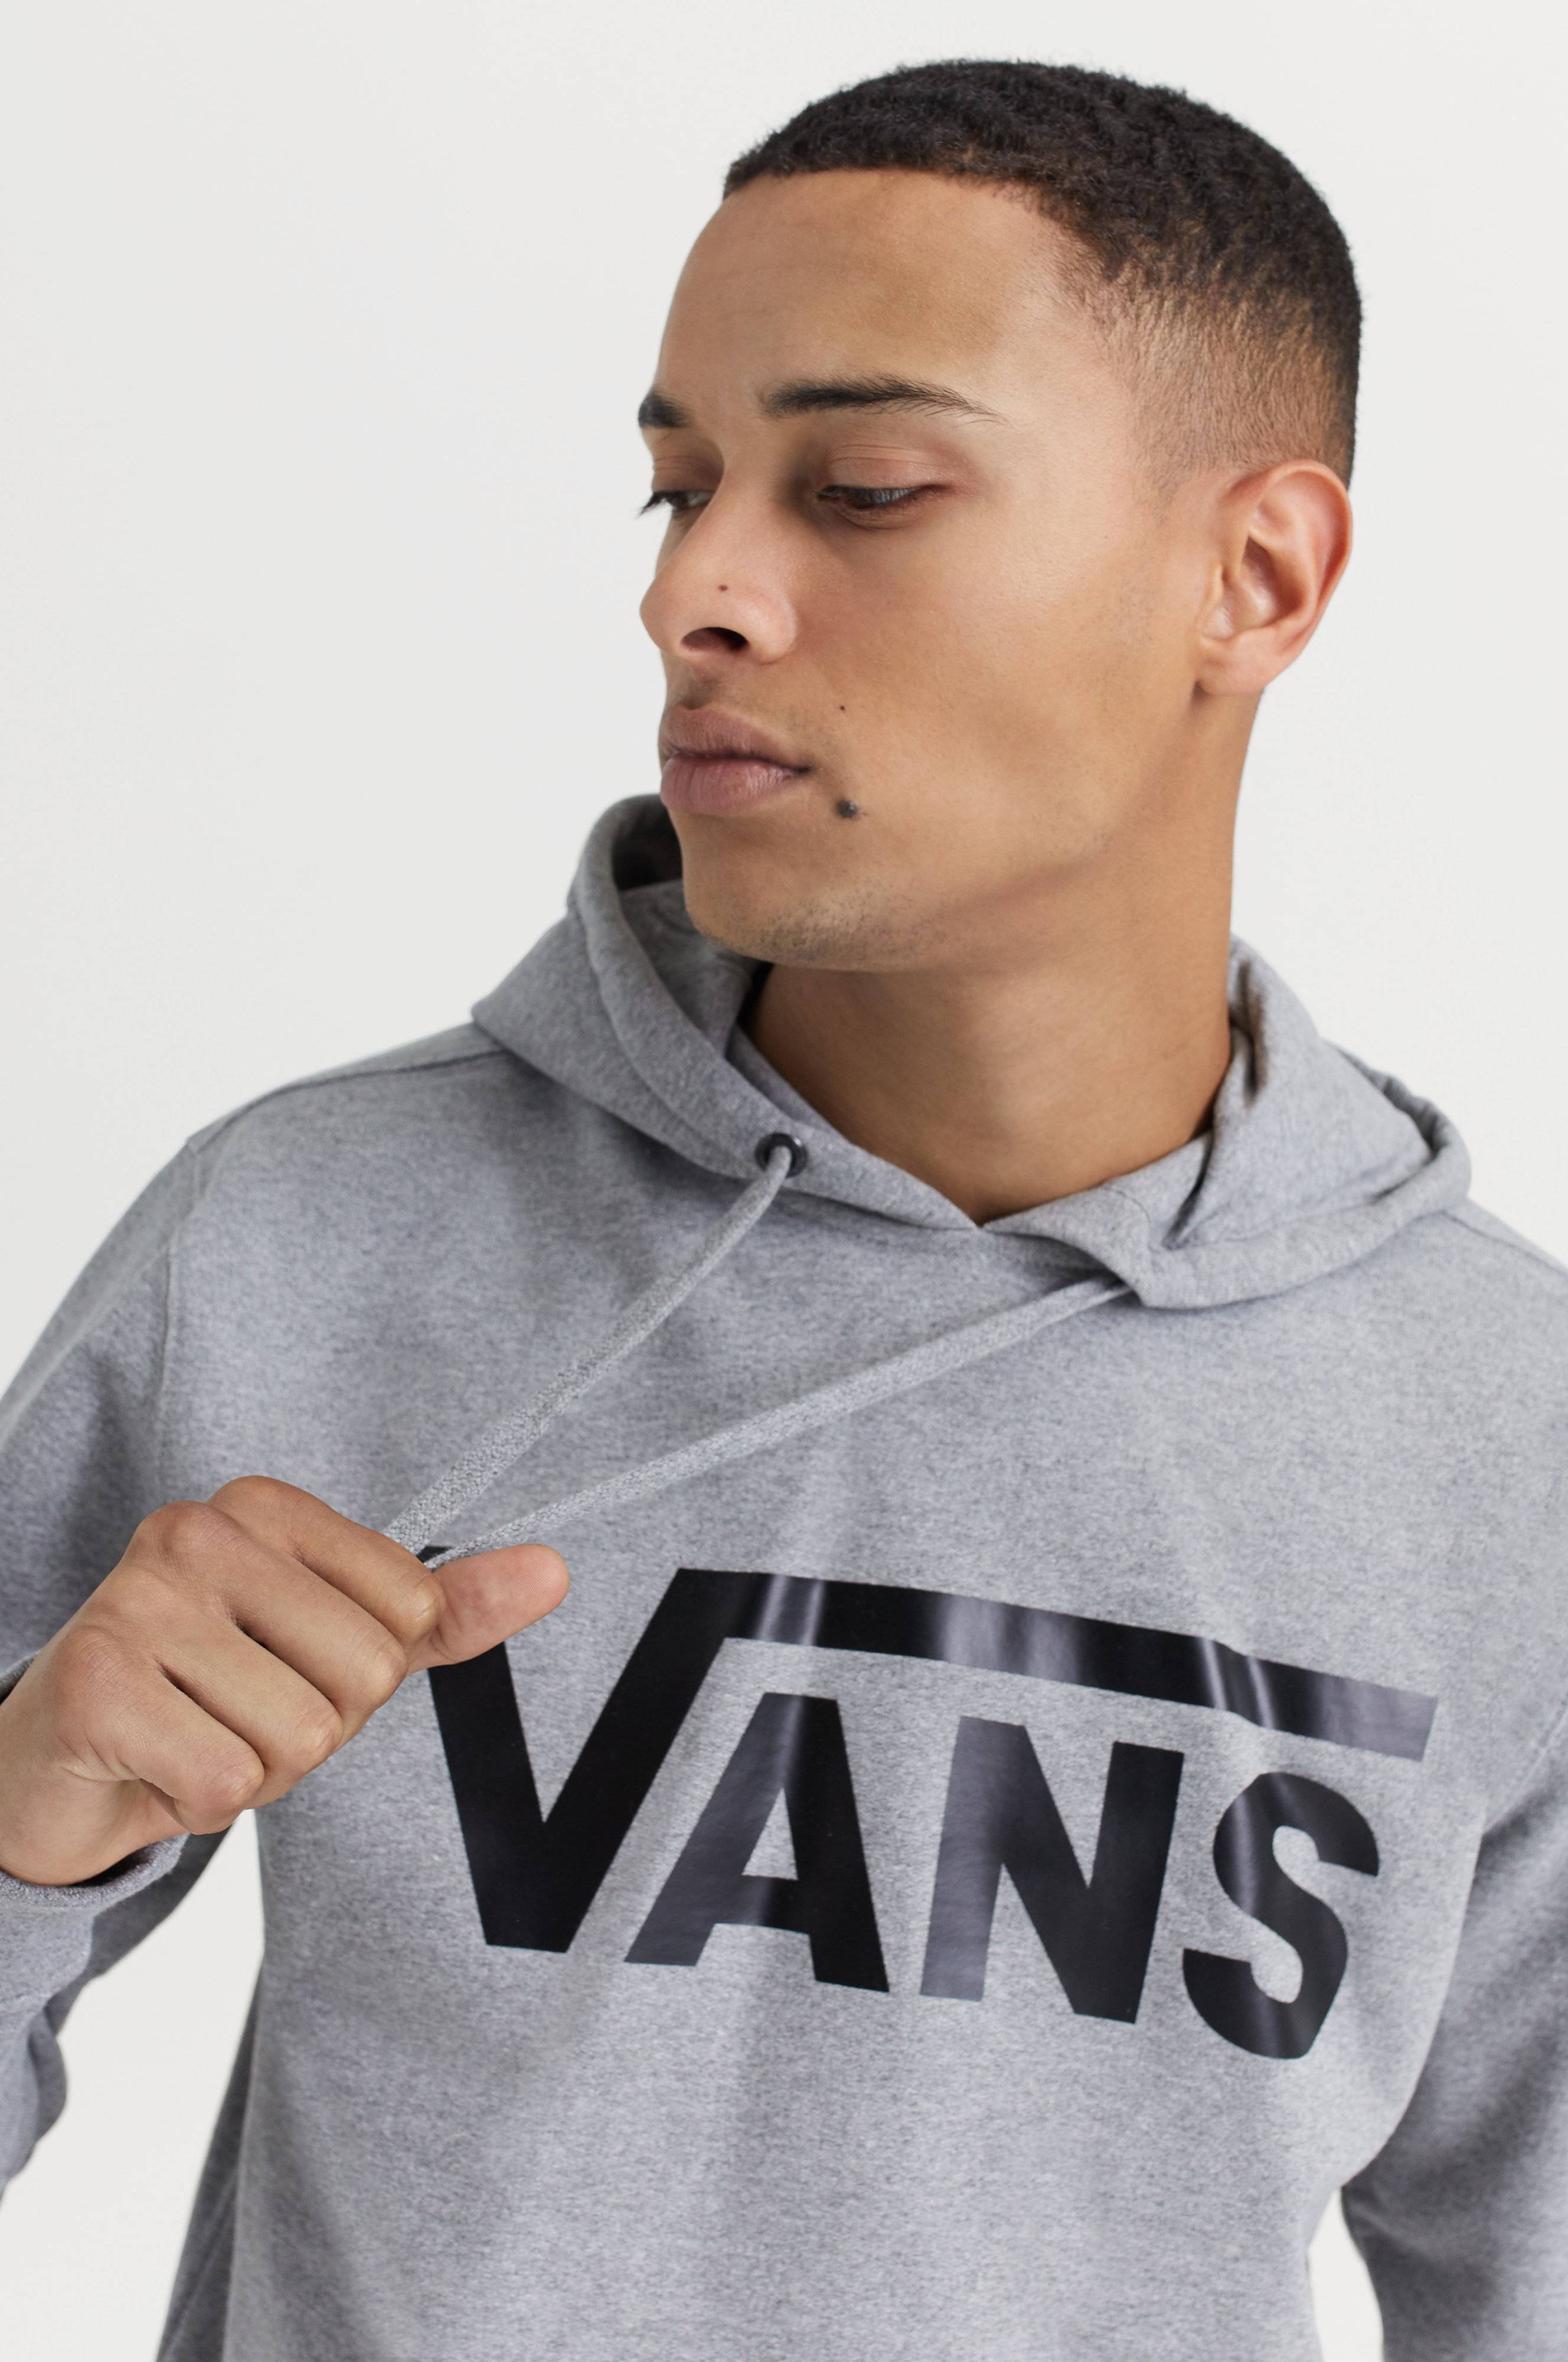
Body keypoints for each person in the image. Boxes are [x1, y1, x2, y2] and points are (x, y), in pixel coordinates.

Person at [1, 55, 1563, 2361]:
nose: (692, 595)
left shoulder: (1509, 1438)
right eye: (678, 487)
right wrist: (14, 1828)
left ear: (1254, 575)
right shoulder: (304, 1240)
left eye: (864, 489)